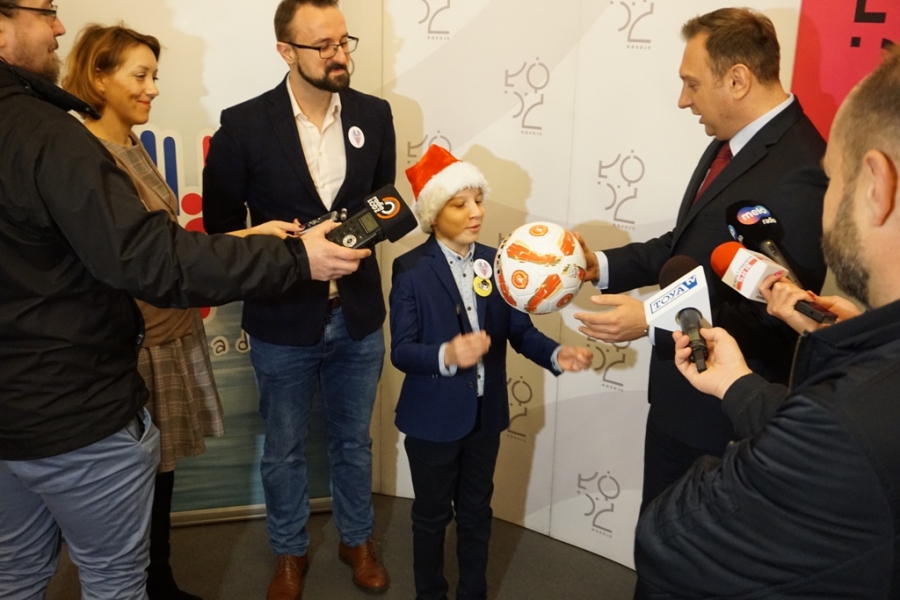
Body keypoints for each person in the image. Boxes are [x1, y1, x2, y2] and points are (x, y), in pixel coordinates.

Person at [0, 2, 369, 599]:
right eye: (46, 11)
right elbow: (154, 259)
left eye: (342, 40)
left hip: (38, 403)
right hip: (76, 404)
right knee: (113, 577)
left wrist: (258, 240)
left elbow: (159, 245)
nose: (58, 25)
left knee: (18, 572)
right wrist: (295, 258)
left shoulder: (97, 141)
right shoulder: (54, 138)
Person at [634, 49, 900, 598]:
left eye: (834, 180)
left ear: (876, 186)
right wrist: (743, 381)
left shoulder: (846, 417)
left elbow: (669, 537)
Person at [59, 24, 305, 600]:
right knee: (132, 489)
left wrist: (251, 236)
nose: (153, 89)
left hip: (170, 336)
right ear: (98, 76)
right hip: (134, 349)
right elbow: (130, 264)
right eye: (139, 75)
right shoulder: (85, 155)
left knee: (160, 478)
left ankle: (159, 582)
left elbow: (169, 246)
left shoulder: (130, 144)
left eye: (155, 75)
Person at [573, 7, 828, 510]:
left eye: (692, 84)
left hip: (722, 421)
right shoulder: (729, 142)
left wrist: (651, 318)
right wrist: (597, 265)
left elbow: (773, 312)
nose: (683, 100)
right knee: (655, 539)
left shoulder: (804, 169)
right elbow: (686, 247)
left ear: (737, 80)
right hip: (677, 404)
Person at [201, 0, 396, 597]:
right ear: (285, 51)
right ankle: (289, 551)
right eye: (323, 45)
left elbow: (384, 202)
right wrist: (285, 245)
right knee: (283, 449)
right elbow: (221, 233)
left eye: (344, 41)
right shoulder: (243, 125)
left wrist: (356, 236)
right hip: (281, 318)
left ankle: (356, 538)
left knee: (353, 442)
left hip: (357, 317)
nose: (339, 55)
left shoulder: (374, 114)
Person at [391, 145, 593, 600]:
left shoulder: (499, 262)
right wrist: (447, 354)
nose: (476, 212)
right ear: (433, 215)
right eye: (460, 204)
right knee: (430, 518)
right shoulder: (411, 270)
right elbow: (401, 351)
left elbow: (520, 330)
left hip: (485, 418)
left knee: (477, 513)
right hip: (432, 421)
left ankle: (474, 593)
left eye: (478, 200)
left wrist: (556, 354)